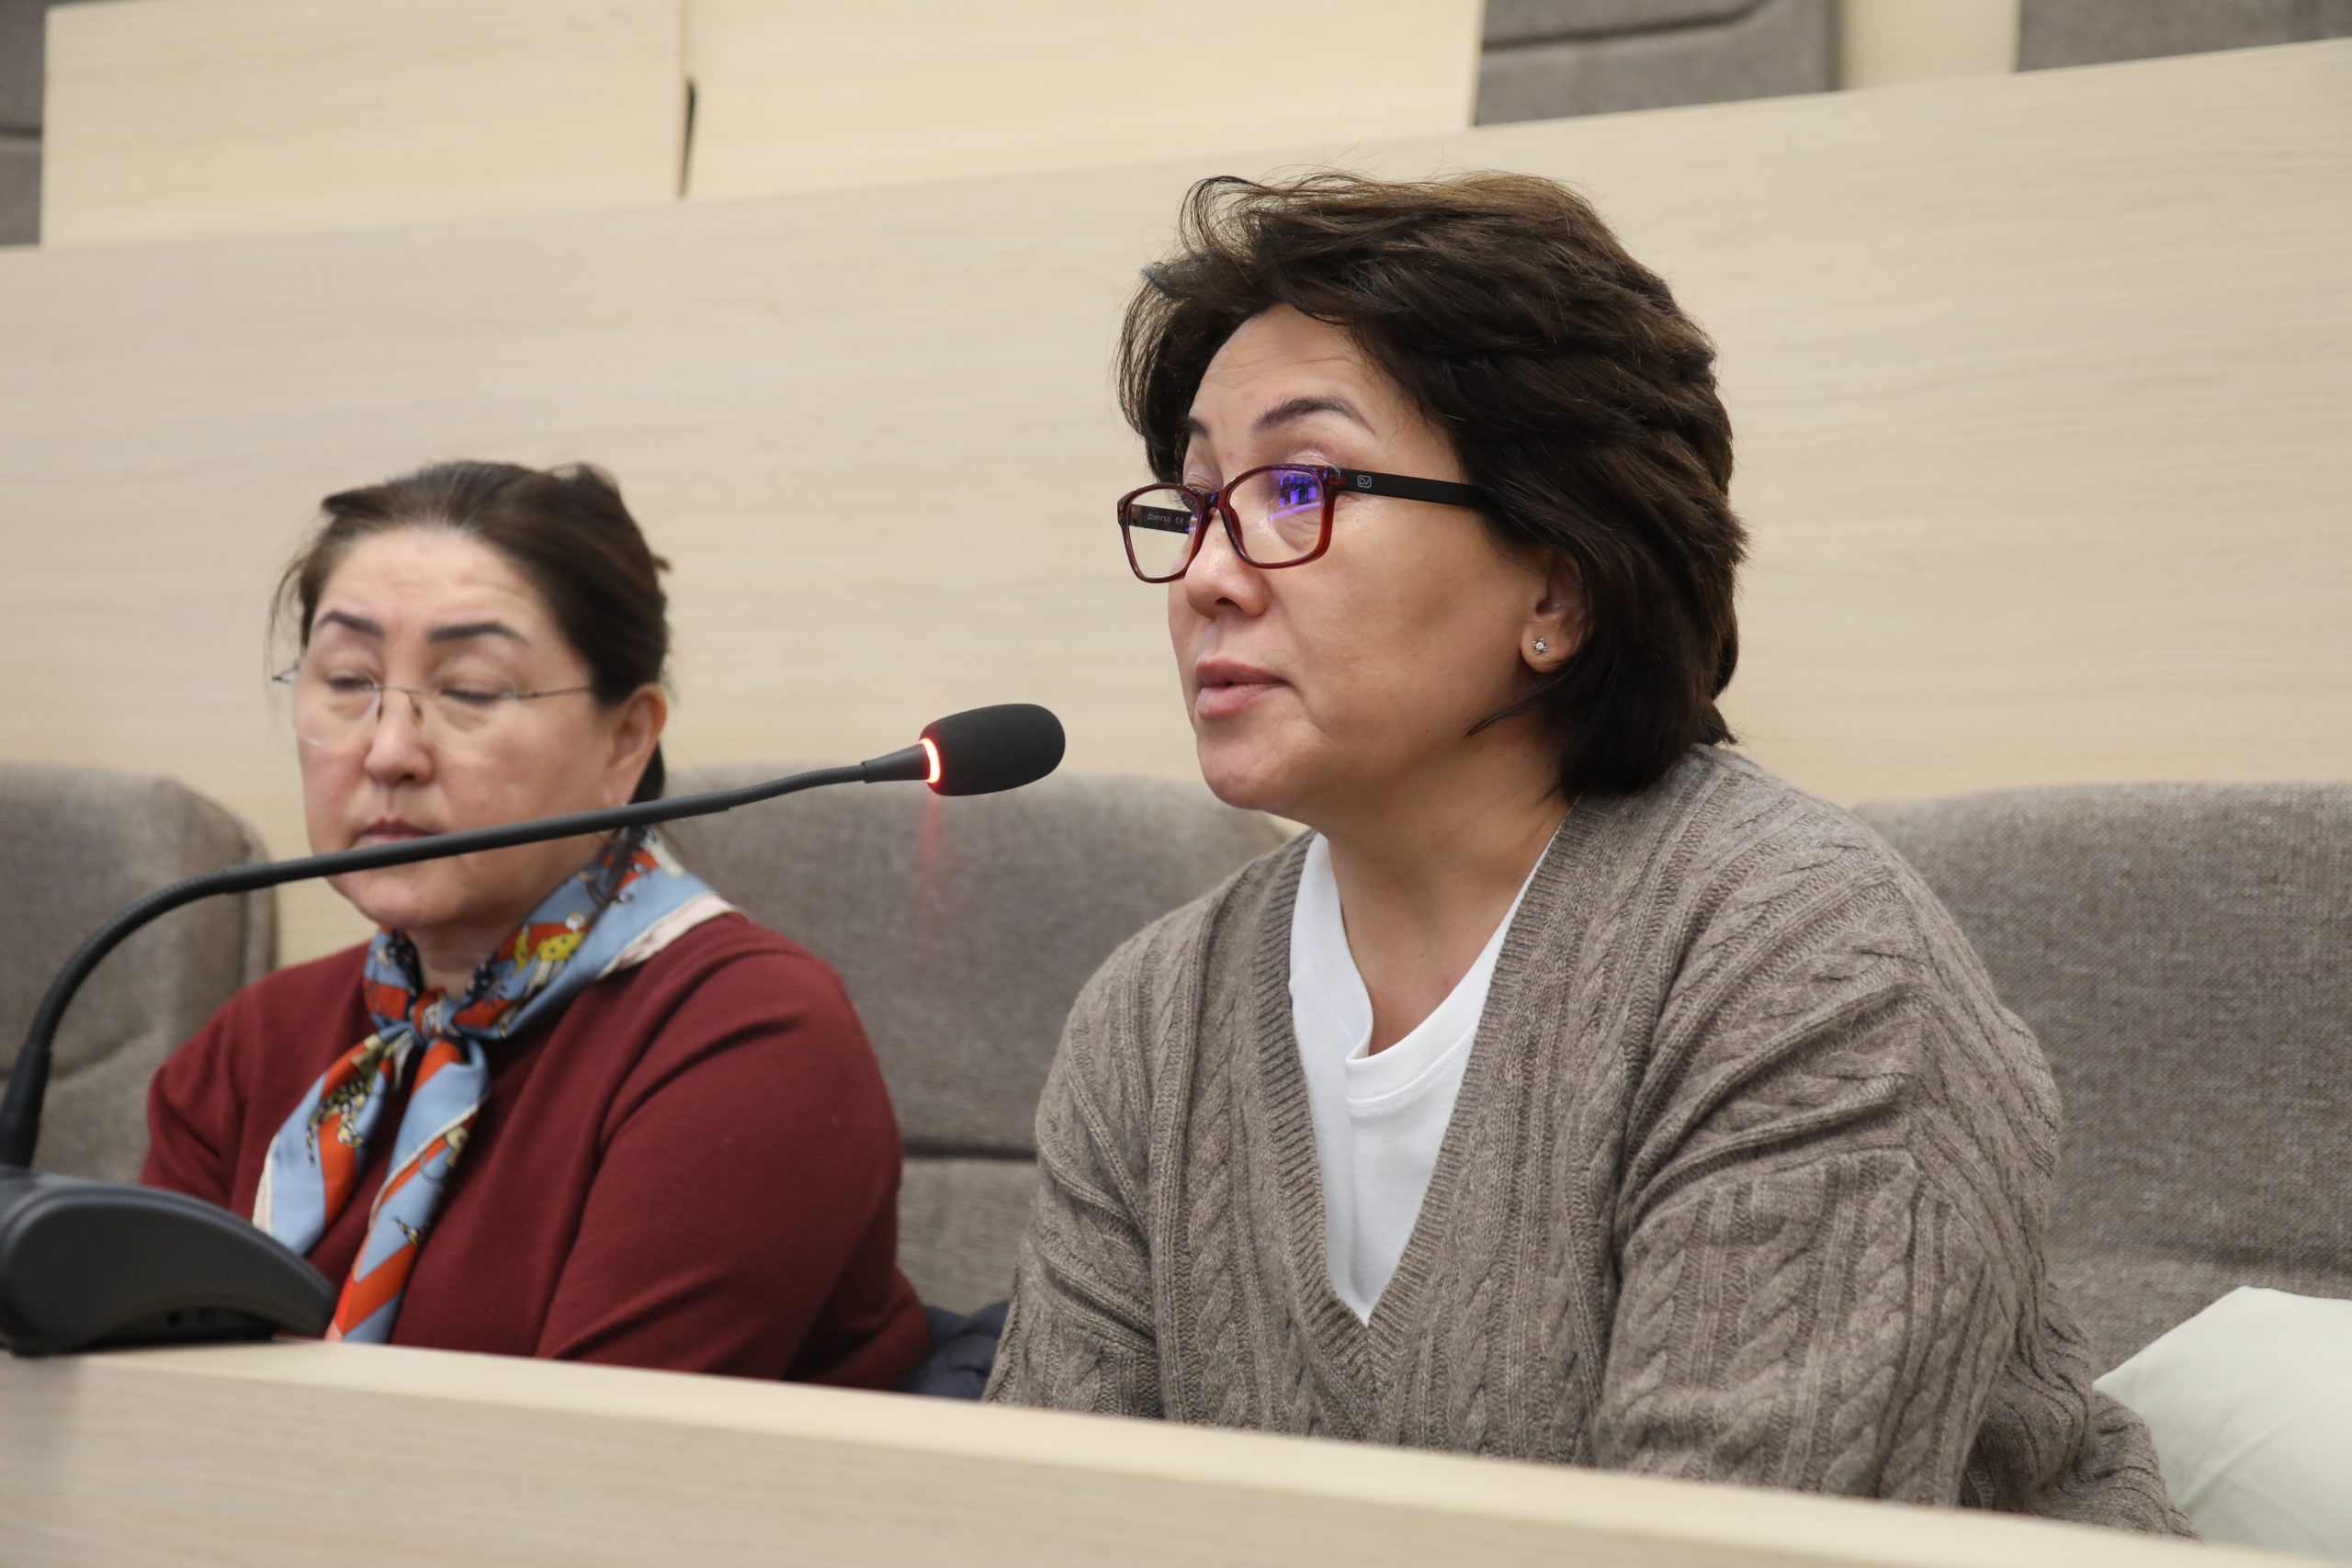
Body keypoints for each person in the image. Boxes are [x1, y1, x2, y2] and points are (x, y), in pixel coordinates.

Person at [983, 173, 2188, 1530]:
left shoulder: (1798, 964)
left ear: (1556, 582)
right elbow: (1034, 1525)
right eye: (1197, 502)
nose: (1208, 572)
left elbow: (1727, 1550)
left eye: (1300, 485)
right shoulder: (1152, 1019)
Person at [142, 460, 927, 1384]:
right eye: (348, 679)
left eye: (471, 690)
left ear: (625, 740)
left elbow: (591, 1459)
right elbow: (134, 1396)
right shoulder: (255, 1043)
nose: (388, 751)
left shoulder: (751, 1036)